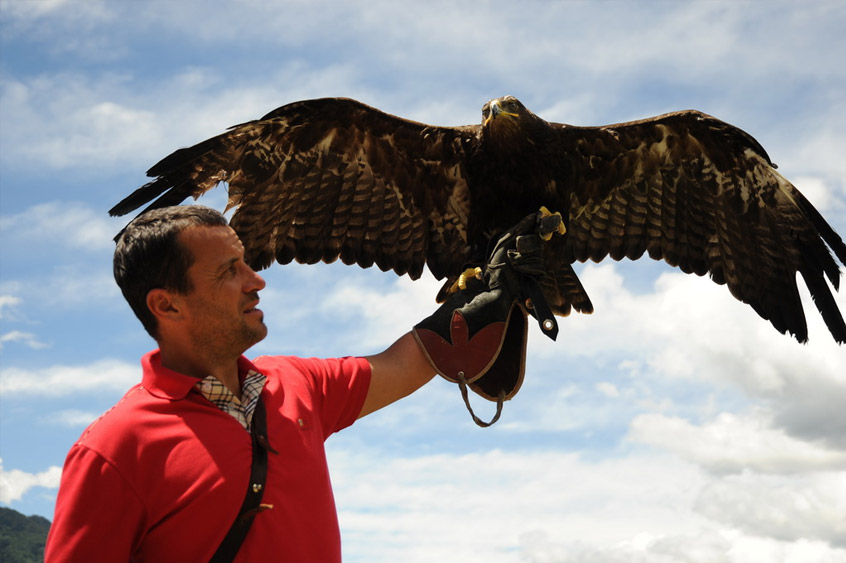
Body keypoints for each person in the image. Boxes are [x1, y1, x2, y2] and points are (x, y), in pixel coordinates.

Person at [44, 204, 548, 562]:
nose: (256, 279)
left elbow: (405, 363)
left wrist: (490, 293)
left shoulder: (296, 383)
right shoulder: (113, 449)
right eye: (228, 272)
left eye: (246, 263)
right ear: (167, 304)